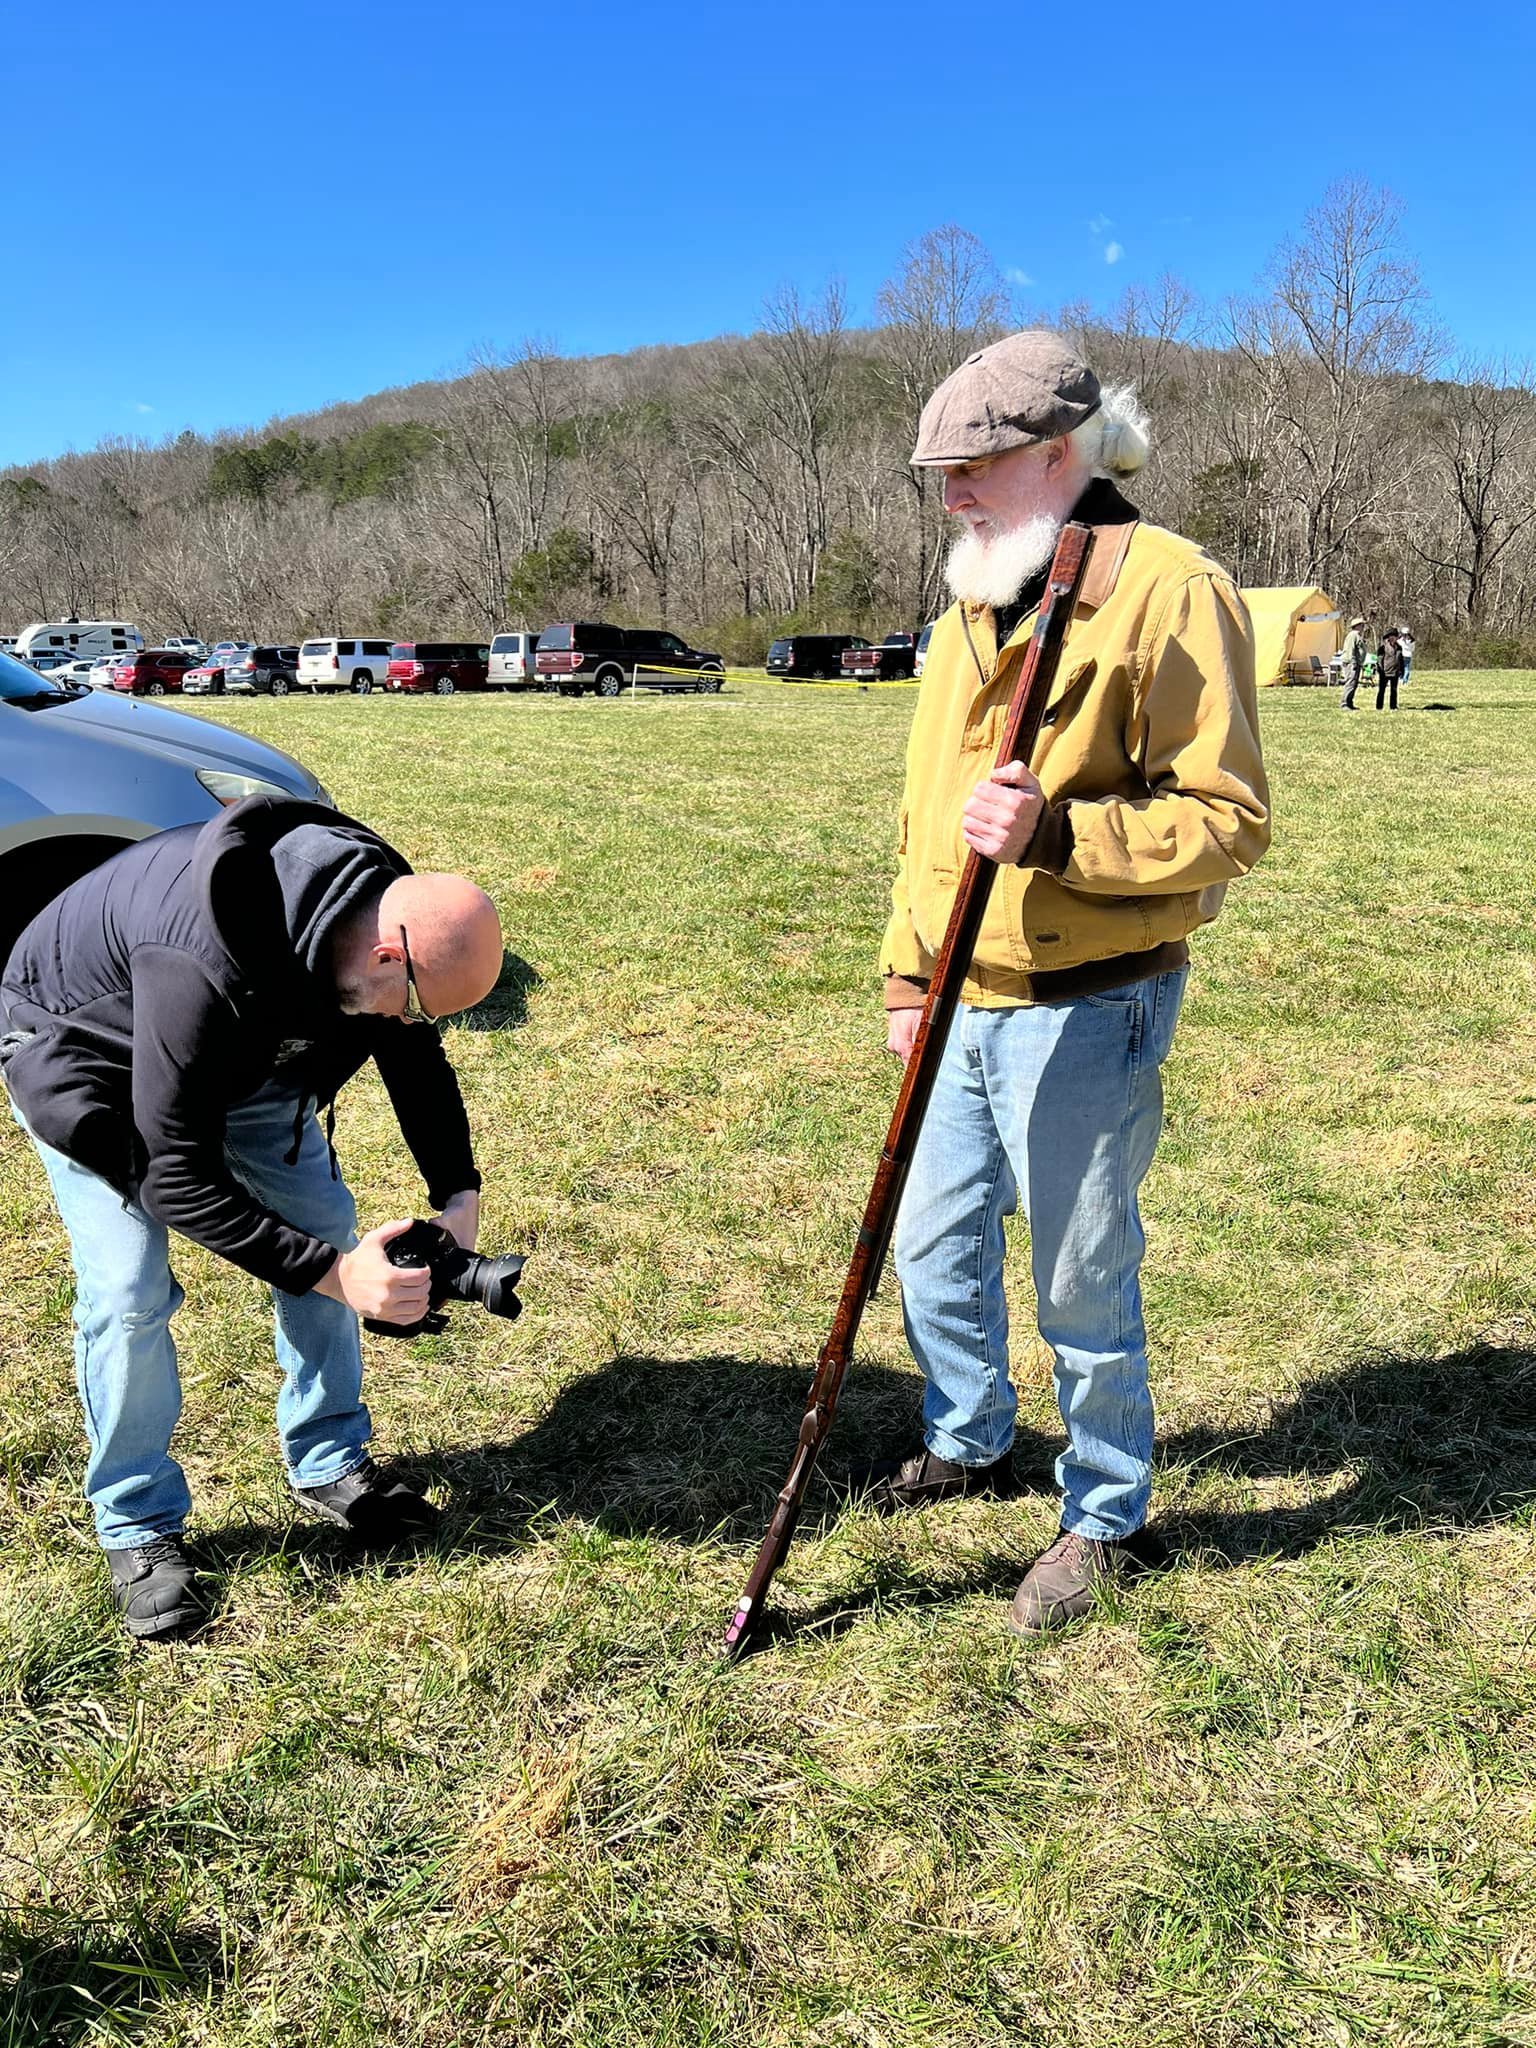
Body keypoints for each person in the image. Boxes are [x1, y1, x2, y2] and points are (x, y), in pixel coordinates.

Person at [867, 329, 1270, 1633]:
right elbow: (932, 820)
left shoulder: (1168, 588)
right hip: (958, 996)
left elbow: (1228, 816)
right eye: (939, 473)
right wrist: (903, 973)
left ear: (1059, 454)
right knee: (931, 1250)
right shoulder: (972, 598)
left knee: (1080, 1279)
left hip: (1091, 1002)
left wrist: (1063, 836)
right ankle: (973, 1431)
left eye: (971, 468)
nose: (950, 496)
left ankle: (1105, 1513)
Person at [0, 797, 504, 1642]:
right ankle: (136, 1521)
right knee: (129, 1293)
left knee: (321, 1220)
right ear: (387, 953)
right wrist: (339, 1276)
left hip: (245, 1044)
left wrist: (459, 1193)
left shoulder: (377, 911)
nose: (408, 1027)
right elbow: (179, 1177)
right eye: (410, 1003)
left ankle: (330, 1460)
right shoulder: (199, 956)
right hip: (87, 1054)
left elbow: (413, 1052)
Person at [1339, 616, 1369, 709]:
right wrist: (1353, 662)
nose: (1363, 627)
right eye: (1361, 625)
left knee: (1354, 684)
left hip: (1357, 662)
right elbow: (1350, 649)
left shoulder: (1358, 635)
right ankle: (1344, 703)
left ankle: (1349, 703)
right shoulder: (1353, 635)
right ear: (1356, 626)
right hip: (1351, 663)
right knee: (1350, 683)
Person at [1375, 627, 1404, 711]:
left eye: (1394, 636)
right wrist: (1380, 670)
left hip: (1395, 672)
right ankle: (1379, 707)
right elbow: (1379, 660)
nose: (1393, 638)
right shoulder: (1382, 648)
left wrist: (1401, 670)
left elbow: (1400, 660)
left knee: (1394, 690)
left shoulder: (1399, 648)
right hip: (1385, 672)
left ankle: (1393, 706)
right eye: (1391, 636)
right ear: (1388, 637)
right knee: (1381, 690)